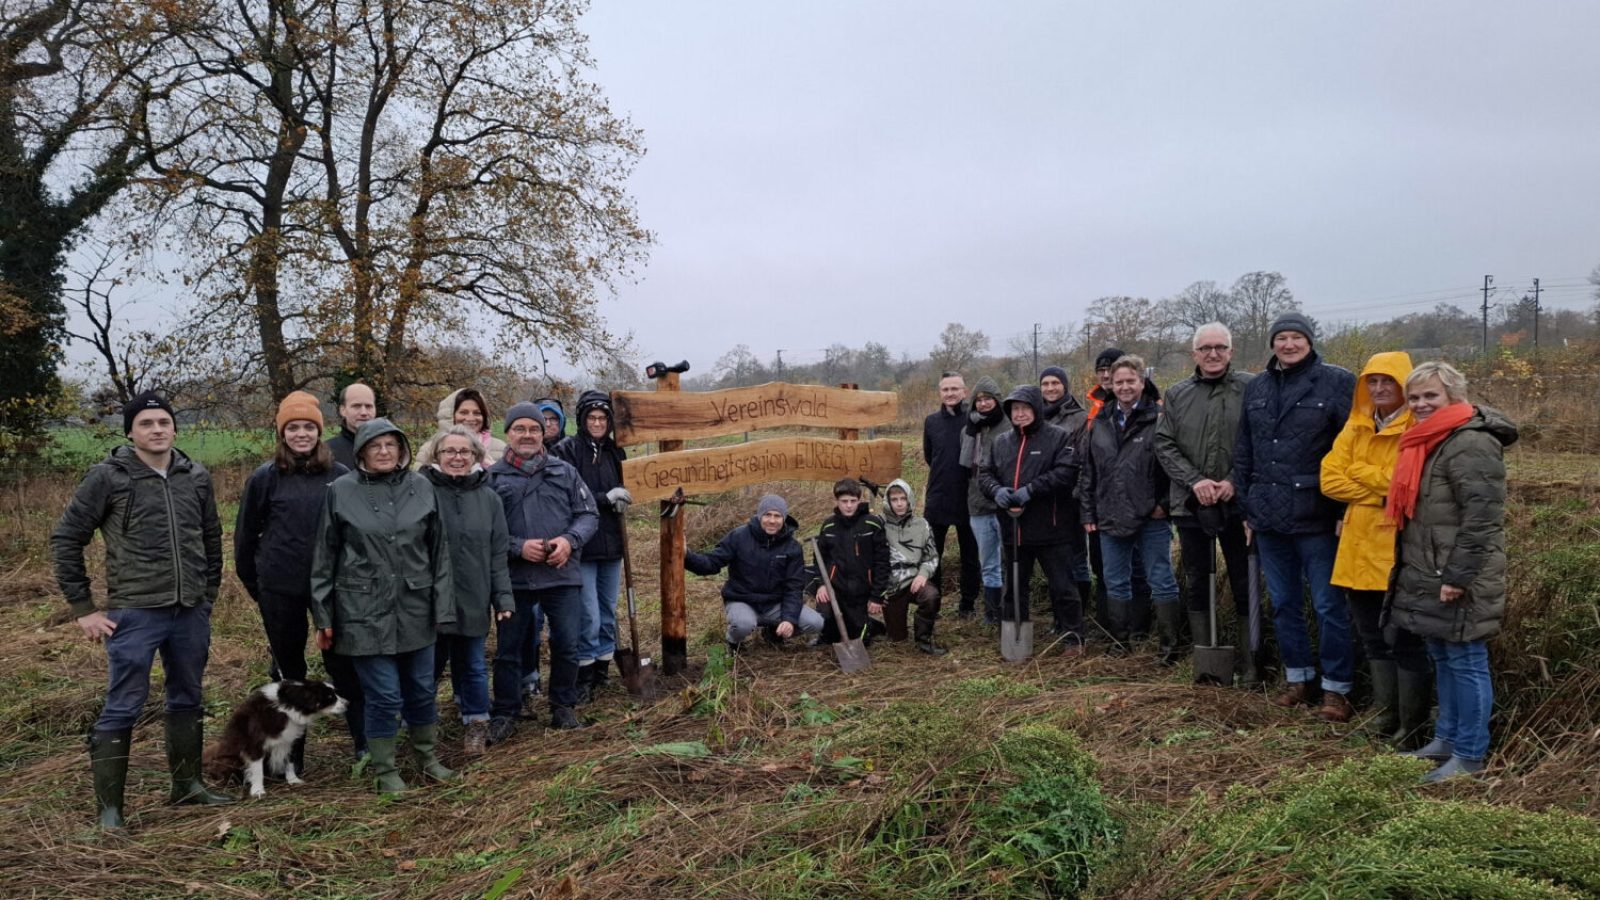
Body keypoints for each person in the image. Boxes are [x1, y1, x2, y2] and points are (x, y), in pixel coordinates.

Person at [53, 391, 233, 829]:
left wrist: (206, 594)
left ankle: (187, 785)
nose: (157, 430)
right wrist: (84, 609)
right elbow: (67, 539)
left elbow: (211, 539)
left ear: (175, 428)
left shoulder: (196, 476)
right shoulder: (109, 477)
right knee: (123, 704)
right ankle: (110, 812)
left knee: (187, 696)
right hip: (134, 612)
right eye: (147, 423)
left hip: (189, 611)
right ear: (130, 431)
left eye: (164, 422)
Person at [310, 419, 456, 792]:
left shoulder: (420, 487)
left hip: (415, 607)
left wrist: (443, 607)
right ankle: (385, 770)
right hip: (362, 612)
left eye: (392, 444)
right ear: (361, 451)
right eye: (376, 445)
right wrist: (323, 615)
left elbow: (438, 552)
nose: (384, 451)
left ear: (403, 449)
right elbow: (324, 556)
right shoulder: (341, 491)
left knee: (422, 689)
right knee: (384, 695)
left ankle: (427, 756)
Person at [1388, 362, 1516, 782]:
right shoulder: (1429, 441)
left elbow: (1481, 518)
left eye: (1431, 396)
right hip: (1429, 569)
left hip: (1458, 574)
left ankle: (1470, 755)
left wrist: (1457, 577)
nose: (1421, 404)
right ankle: (1446, 739)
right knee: (1442, 654)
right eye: (1415, 397)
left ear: (1454, 396)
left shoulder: (1471, 443)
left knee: (1466, 659)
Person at [1231, 313, 1357, 721]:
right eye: (1281, 338)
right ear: (1272, 344)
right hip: (1268, 517)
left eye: (1295, 337)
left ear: (1309, 341)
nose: (1288, 344)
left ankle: (1336, 689)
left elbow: (1350, 447)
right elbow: (1244, 450)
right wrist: (1248, 508)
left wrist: (1342, 508)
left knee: (1327, 605)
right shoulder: (1258, 387)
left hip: (1316, 515)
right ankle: (1297, 678)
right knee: (1284, 603)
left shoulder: (1337, 382)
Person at [235, 391, 366, 769]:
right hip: (280, 591)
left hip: (332, 591)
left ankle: (362, 747)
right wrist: (258, 587)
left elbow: (354, 534)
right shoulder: (265, 478)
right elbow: (245, 538)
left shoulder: (340, 476)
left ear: (319, 431)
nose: (302, 434)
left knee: (344, 668)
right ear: (282, 433)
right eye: (293, 427)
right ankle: (289, 761)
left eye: (309, 426)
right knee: (290, 674)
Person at [1321, 351, 1430, 746]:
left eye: (1388, 381)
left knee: (1402, 637)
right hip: (1356, 545)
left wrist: (1362, 475)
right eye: (1373, 381)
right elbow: (1329, 479)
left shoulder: (1416, 427)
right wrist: (1380, 487)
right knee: (1370, 635)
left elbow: (1408, 483)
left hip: (1395, 548)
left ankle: (1411, 725)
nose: (1380, 388)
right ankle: (1386, 715)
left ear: (1404, 384)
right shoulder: (1356, 425)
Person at [1154, 323, 1260, 681]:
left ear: (1231, 351)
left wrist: (1233, 480)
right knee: (1198, 578)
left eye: (1220, 347)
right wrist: (1195, 480)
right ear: (1194, 354)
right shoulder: (1177, 394)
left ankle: (1250, 661)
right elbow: (1164, 444)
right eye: (1205, 348)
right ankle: (1205, 656)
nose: (1212, 354)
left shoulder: (1251, 388)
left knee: (1244, 579)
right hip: (1190, 505)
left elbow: (1260, 441)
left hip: (1238, 506)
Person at [487, 401, 598, 742]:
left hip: (560, 573)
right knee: (510, 648)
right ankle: (505, 711)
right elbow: (485, 530)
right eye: (520, 428)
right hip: (515, 577)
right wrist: (518, 547)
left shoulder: (564, 472)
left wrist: (569, 540)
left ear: (543, 433)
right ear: (508, 433)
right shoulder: (491, 477)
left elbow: (589, 514)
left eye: (534, 429)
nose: (527, 435)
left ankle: (562, 706)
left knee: (566, 642)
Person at [1079, 356, 1182, 662]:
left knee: (1161, 577)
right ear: (1111, 383)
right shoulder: (1100, 421)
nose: (1124, 387)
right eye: (1119, 381)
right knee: (1114, 579)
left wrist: (1164, 506)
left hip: (1152, 517)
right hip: (1110, 514)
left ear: (1142, 382)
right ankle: (1120, 641)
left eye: (1130, 381)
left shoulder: (1160, 418)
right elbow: (1088, 471)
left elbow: (1174, 467)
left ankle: (1169, 645)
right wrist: (1088, 512)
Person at [419, 427, 514, 756]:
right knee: (426, 665)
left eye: (464, 452)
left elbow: (497, 553)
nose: (457, 457)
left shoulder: (488, 497)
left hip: (474, 594)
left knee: (472, 664)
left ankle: (476, 722)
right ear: (437, 455)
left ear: (476, 456)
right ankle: (418, 723)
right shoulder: (420, 490)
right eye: (449, 451)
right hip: (429, 598)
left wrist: (503, 598)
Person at [979, 384, 1085, 650]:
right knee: (1014, 589)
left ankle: (1072, 637)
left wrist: (1032, 490)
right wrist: (996, 491)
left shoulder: (1058, 437)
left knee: (1063, 587)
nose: (1020, 414)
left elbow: (1066, 472)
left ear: (1036, 409)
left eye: (1025, 408)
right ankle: (1015, 641)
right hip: (1014, 530)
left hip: (1051, 528)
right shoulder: (1001, 442)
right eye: (1015, 409)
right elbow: (984, 473)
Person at [553, 390, 631, 701]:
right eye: (592, 418)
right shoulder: (566, 451)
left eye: (603, 418)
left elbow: (629, 483)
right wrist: (604, 499)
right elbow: (567, 496)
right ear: (582, 420)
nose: (598, 422)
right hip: (582, 545)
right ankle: (583, 674)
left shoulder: (615, 452)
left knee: (608, 611)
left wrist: (624, 495)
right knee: (589, 615)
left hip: (612, 543)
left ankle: (602, 670)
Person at [685, 494, 823, 652]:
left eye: (777, 516)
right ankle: (733, 642)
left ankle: (773, 633)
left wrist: (789, 620)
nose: (772, 520)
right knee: (742, 625)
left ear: (784, 518)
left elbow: (794, 586)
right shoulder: (738, 537)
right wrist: (686, 556)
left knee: (815, 622)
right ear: (759, 516)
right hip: (742, 600)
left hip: (775, 604)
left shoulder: (792, 547)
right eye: (767, 515)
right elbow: (711, 563)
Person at [1081, 350, 1151, 635]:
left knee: (1140, 569)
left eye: (1113, 370)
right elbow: (1089, 463)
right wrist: (1088, 506)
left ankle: (1140, 627)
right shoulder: (1097, 410)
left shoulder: (1151, 409)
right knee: (1104, 568)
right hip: (1104, 504)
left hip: (1140, 505)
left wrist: (1159, 503)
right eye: (1102, 370)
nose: (1108, 376)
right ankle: (1109, 624)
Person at [922, 372, 980, 616]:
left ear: (964, 392)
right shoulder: (932, 421)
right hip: (938, 496)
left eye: (955, 389)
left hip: (969, 497)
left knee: (970, 555)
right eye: (946, 389)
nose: (950, 393)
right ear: (940, 393)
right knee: (933, 555)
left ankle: (967, 604)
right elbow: (929, 456)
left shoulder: (974, 420)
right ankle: (932, 603)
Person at [810, 479, 890, 646]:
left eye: (853, 501)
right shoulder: (829, 526)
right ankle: (827, 634)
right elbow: (819, 558)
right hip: (835, 589)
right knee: (829, 630)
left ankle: (870, 625)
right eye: (844, 501)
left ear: (859, 500)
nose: (848, 506)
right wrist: (821, 584)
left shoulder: (872, 524)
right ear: (836, 501)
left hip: (861, 590)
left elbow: (883, 562)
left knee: (859, 638)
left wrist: (876, 596)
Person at [959, 376, 1007, 623]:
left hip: (1004, 504)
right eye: (978, 399)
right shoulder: (969, 429)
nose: (983, 403)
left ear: (997, 399)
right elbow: (966, 467)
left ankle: (1011, 610)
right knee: (988, 562)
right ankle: (992, 614)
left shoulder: (1009, 426)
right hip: (977, 504)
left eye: (988, 398)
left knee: (1010, 561)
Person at [881, 479, 947, 655]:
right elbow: (871, 561)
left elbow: (932, 556)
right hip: (891, 587)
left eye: (903, 498)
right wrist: (878, 591)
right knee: (897, 640)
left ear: (909, 499)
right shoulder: (880, 526)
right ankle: (879, 626)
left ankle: (924, 638)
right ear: (888, 502)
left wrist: (923, 574)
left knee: (931, 596)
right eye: (894, 499)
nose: (899, 503)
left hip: (914, 581)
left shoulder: (922, 525)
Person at [414, 388, 506, 466]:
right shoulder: (429, 450)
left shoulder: (500, 449)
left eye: (477, 413)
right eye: (463, 412)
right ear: (450, 416)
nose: (471, 418)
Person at [325, 382, 377, 470]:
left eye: (368, 406)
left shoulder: (388, 449)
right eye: (356, 406)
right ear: (343, 410)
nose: (363, 412)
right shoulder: (327, 452)